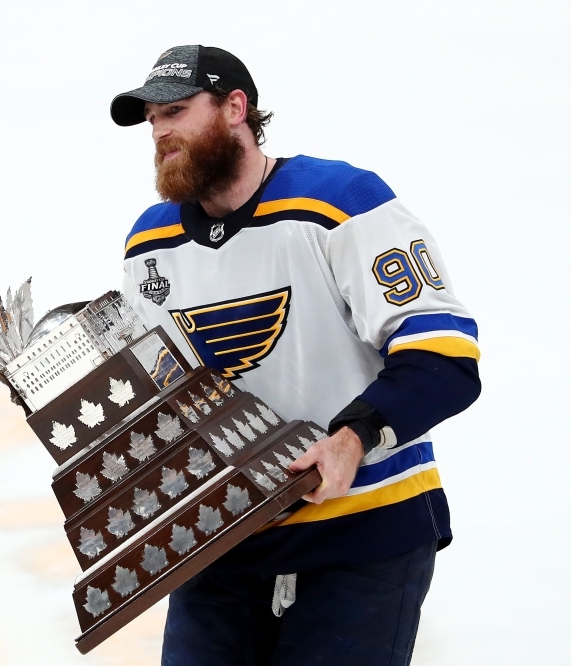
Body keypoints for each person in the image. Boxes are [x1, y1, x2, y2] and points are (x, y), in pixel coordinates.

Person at [112, 45, 481, 666]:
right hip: (221, 547)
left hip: (362, 534)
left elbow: (444, 357)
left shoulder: (342, 202)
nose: (161, 132)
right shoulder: (151, 242)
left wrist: (352, 439)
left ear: (235, 108)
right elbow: (161, 398)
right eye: (151, 119)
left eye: (175, 110)